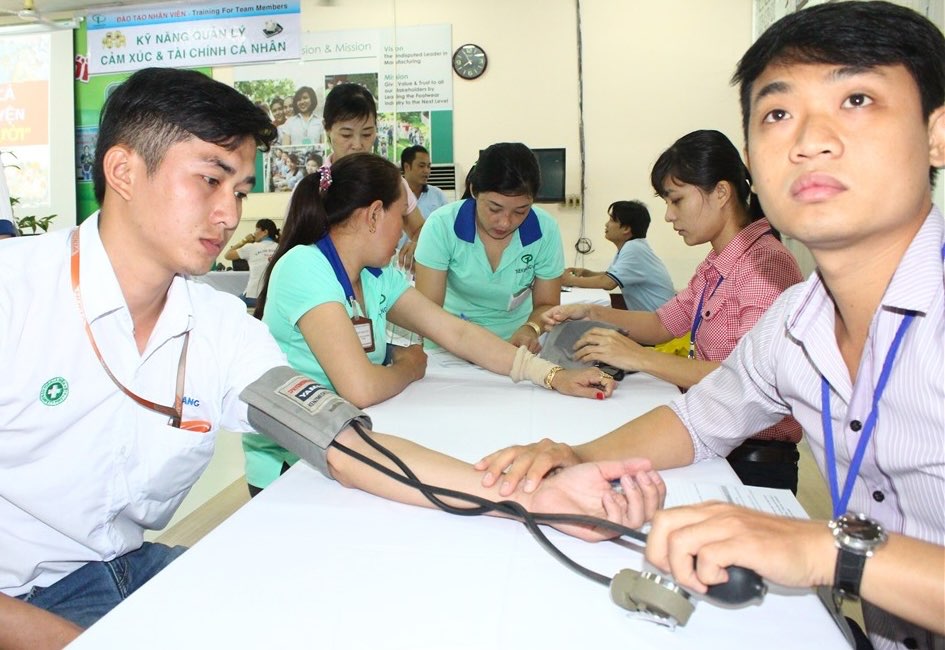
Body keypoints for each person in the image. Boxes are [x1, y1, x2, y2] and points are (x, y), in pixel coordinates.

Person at [0, 67, 657, 650]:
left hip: (129, 568)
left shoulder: (218, 329)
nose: (229, 212)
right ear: (123, 172)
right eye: (209, 180)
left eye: (239, 187)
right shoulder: (16, 297)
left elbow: (345, 443)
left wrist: (537, 498)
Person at [478, 3, 944, 648]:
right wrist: (574, 456)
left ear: (936, 135)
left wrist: (824, 551)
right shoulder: (796, 320)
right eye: (778, 114)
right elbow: (700, 420)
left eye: (857, 99)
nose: (809, 138)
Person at [242, 155, 617, 494]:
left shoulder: (376, 276)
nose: (407, 234)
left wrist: (552, 375)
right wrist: (407, 366)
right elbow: (360, 388)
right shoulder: (305, 267)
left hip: (345, 438)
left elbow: (456, 332)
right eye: (402, 219)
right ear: (375, 215)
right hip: (295, 459)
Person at [537, 129, 804, 491]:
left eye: (676, 200)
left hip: (752, 461)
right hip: (716, 438)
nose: (667, 215)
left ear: (721, 192)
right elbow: (663, 322)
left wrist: (640, 358)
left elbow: (743, 382)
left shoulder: (764, 268)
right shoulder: (719, 262)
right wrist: (589, 312)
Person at [414, 143, 566, 353]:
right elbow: (426, 310)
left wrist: (531, 328)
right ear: (475, 191)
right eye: (494, 208)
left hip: (513, 346)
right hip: (448, 344)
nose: (505, 222)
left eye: (520, 211)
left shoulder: (545, 230)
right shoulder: (442, 225)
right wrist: (474, 347)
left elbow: (547, 303)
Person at [320, 83, 426, 269]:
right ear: (327, 129)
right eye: (346, 135)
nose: (358, 144)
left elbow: (419, 230)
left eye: (367, 134)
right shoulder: (315, 186)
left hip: (381, 288)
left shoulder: (393, 183)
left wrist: (418, 243)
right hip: (328, 286)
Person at [563, 200, 675, 311]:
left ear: (626, 228)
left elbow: (608, 283)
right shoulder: (633, 246)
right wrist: (586, 273)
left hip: (663, 324)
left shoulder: (634, 249)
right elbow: (609, 276)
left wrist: (569, 280)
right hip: (656, 319)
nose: (606, 224)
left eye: (612, 220)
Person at [397, 144, 449, 253]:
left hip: (429, 257)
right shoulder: (393, 195)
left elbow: (447, 230)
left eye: (428, 166)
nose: (427, 171)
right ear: (407, 167)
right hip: (396, 260)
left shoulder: (438, 196)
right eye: (421, 166)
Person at [224, 218, 280, 308]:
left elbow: (227, 255)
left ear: (265, 232)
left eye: (257, 229)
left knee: (230, 305)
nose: (254, 233)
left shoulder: (251, 247)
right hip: (274, 298)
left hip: (254, 296)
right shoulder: (280, 248)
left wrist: (245, 240)